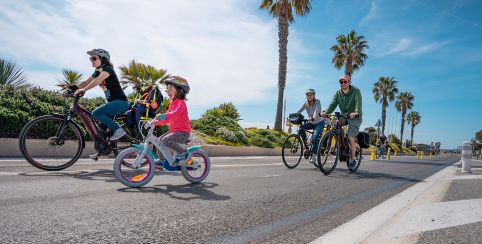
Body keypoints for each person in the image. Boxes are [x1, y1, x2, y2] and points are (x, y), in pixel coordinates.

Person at [74, 49, 130, 141]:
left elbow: (97, 80)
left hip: (120, 103)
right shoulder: (97, 72)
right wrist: (71, 89)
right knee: (101, 131)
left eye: (94, 58)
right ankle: (102, 150)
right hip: (112, 104)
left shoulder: (108, 70)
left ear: (103, 59)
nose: (92, 61)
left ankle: (118, 130)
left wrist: (84, 90)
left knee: (96, 113)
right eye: (91, 59)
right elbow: (86, 82)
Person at [321, 75, 363, 168]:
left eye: (345, 82)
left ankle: (352, 159)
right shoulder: (338, 93)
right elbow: (332, 104)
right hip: (344, 116)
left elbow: (358, 104)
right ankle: (342, 145)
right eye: (341, 82)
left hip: (355, 117)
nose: (343, 83)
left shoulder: (356, 91)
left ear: (349, 82)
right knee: (335, 124)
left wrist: (356, 112)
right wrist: (326, 113)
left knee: (351, 136)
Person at [154, 76, 191, 166]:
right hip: (174, 131)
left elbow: (175, 113)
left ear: (179, 91)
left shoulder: (181, 103)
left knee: (166, 140)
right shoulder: (172, 104)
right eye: (167, 90)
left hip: (183, 132)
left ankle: (184, 153)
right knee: (158, 141)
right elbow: (167, 119)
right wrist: (155, 122)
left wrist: (163, 115)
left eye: (170, 89)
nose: (168, 92)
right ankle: (162, 160)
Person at [297, 89, 325, 163]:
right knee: (301, 129)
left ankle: (314, 156)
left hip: (319, 123)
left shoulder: (317, 101)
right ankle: (306, 146)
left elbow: (317, 111)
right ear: (306, 96)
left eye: (311, 95)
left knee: (314, 138)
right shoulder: (305, 103)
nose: (309, 96)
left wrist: (313, 117)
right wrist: (293, 117)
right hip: (311, 122)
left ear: (314, 95)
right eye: (308, 95)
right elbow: (299, 111)